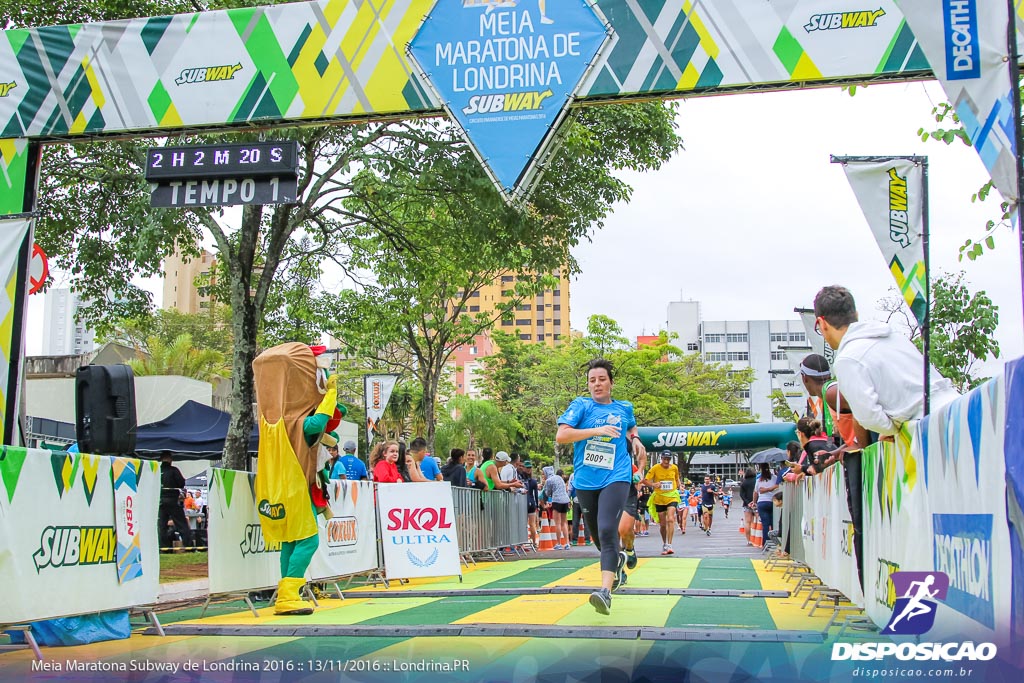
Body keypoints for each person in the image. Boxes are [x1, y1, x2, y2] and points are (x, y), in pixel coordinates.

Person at [253, 342, 348, 615]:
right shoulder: (298, 423)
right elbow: (317, 424)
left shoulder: (270, 420)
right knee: (308, 540)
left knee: (290, 541)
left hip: (274, 487)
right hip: (294, 487)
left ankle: (286, 592)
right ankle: (288, 593)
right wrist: (329, 395)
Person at [556, 358, 647, 615]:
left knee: (608, 530)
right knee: (597, 537)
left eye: (602, 380)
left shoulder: (623, 407)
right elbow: (562, 436)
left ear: (611, 383)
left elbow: (630, 425)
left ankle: (605, 592)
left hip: (616, 476)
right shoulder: (581, 406)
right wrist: (595, 432)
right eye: (592, 381)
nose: (597, 385)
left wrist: (636, 438)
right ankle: (616, 560)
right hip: (585, 480)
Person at [812, 285, 959, 437]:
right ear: (855, 314)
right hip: (959, 407)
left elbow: (870, 418)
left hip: (935, 428)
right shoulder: (894, 336)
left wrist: (891, 430)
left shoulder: (848, 359)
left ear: (822, 323)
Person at [641, 451, 681, 554]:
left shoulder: (674, 468)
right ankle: (664, 544)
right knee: (662, 524)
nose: (666, 461)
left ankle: (670, 545)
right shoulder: (655, 468)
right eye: (664, 459)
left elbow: (677, 479)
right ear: (661, 459)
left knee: (671, 519)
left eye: (668, 459)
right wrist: (654, 484)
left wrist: (678, 487)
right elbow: (645, 481)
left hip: (672, 496)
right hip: (659, 498)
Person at [158, 454, 193, 551]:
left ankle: (164, 548)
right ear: (170, 459)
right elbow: (181, 483)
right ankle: (188, 546)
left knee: (162, 526)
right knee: (181, 523)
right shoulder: (173, 470)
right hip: (173, 500)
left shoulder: (157, 470)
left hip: (160, 500)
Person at [540, 466, 571, 549]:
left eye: (543, 474)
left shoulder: (549, 481)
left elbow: (547, 492)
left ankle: (559, 543)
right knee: (564, 522)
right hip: (565, 500)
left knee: (557, 523)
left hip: (557, 501)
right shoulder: (559, 478)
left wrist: (545, 500)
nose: (543, 476)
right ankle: (567, 543)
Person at [755, 462, 779, 540]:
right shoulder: (775, 478)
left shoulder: (759, 480)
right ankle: (774, 542)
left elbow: (755, 492)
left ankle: (765, 543)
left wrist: (754, 502)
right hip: (773, 502)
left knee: (765, 525)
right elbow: (778, 485)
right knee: (773, 523)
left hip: (761, 502)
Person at [521, 460, 541, 547]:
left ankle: (523, 543)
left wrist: (537, 505)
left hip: (524, 502)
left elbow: (536, 494)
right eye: (528, 468)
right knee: (532, 524)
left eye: (529, 468)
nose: (528, 469)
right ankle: (534, 543)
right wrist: (537, 505)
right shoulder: (533, 481)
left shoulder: (522, 479)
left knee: (523, 523)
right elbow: (535, 494)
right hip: (531, 503)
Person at [739, 467, 756, 546]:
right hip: (756, 503)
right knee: (756, 522)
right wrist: (754, 502)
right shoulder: (757, 480)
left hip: (747, 504)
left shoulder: (744, 482)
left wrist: (748, 502)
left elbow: (741, 494)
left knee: (747, 522)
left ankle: (748, 540)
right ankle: (756, 538)